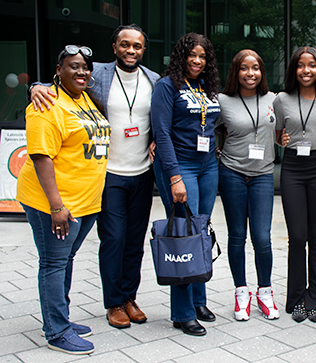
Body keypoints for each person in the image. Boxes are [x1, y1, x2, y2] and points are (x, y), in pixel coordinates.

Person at [29, 24, 159, 329]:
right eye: (124, 45)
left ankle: (129, 297)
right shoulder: (95, 73)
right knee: (113, 239)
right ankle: (113, 302)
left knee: (134, 242)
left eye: (137, 46)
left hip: (141, 173)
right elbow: (62, 78)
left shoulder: (154, 79)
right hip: (109, 175)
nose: (131, 51)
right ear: (114, 47)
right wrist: (34, 86)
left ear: (143, 49)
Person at [17, 45, 110, 354]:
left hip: (85, 201)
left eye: (85, 66)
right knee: (54, 263)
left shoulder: (84, 98)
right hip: (55, 203)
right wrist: (57, 206)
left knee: (65, 260)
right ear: (58, 70)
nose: (81, 71)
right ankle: (56, 330)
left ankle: (62, 318)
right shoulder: (45, 104)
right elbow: (41, 157)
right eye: (73, 66)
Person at [151, 33, 220, 336]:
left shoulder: (205, 86)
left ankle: (198, 299)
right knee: (183, 234)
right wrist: (174, 176)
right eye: (192, 55)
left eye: (203, 56)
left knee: (200, 231)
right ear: (181, 55)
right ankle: (181, 312)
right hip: (181, 167)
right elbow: (162, 133)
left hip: (208, 166)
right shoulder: (167, 87)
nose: (197, 60)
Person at [273, 47, 316, 323]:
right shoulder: (282, 99)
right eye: (301, 65)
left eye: (312, 65)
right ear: (294, 69)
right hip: (293, 169)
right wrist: (282, 141)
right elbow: (278, 135)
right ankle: (296, 297)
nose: (306, 70)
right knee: (297, 236)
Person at [217, 49, 280, 321]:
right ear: (236, 71)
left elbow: (287, 127)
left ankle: (264, 291)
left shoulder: (274, 100)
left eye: (255, 68)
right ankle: (241, 292)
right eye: (244, 68)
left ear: (261, 71)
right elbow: (203, 126)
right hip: (232, 172)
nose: (250, 73)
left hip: (263, 174)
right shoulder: (222, 101)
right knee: (237, 236)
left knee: (262, 238)